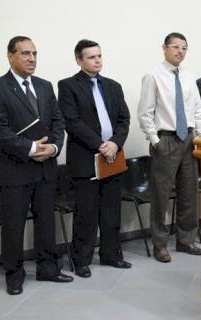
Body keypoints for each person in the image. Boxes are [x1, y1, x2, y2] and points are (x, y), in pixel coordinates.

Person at [0, 36, 73, 295]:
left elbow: (58, 122)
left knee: (46, 221)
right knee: (13, 225)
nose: (32, 58)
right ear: (10, 56)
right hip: (15, 170)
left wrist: (54, 148)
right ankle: (14, 274)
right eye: (25, 53)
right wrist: (32, 149)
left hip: (46, 168)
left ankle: (48, 269)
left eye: (34, 53)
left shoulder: (45, 87)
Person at [58, 39, 132, 278]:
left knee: (111, 211)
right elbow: (72, 122)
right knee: (86, 213)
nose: (97, 60)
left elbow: (124, 119)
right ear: (79, 60)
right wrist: (100, 145)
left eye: (99, 56)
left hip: (112, 157)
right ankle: (81, 261)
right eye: (91, 57)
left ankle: (111, 255)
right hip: (85, 158)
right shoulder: (68, 86)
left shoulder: (113, 86)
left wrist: (115, 144)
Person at [138, 32, 201, 263]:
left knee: (189, 193)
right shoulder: (153, 76)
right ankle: (160, 244)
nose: (180, 51)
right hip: (165, 139)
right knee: (161, 194)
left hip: (188, 139)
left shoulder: (188, 77)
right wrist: (155, 141)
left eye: (184, 48)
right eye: (175, 47)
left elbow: (197, 110)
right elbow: (145, 113)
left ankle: (186, 240)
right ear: (164, 48)